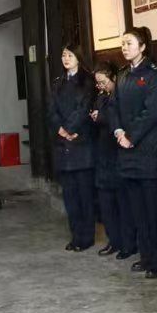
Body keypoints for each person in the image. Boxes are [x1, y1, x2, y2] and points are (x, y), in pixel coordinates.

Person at [115, 26, 157, 279]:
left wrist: (131, 136)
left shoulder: (154, 75)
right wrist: (118, 131)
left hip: (150, 153)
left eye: (129, 43)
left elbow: (154, 112)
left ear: (142, 47)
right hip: (127, 152)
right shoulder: (122, 75)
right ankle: (146, 256)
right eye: (123, 43)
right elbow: (113, 107)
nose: (124, 47)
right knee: (138, 211)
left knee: (154, 211)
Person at [49, 45, 96, 251]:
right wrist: (60, 129)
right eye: (63, 55)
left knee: (85, 194)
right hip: (63, 143)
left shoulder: (88, 81)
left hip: (81, 141)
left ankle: (87, 236)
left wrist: (69, 129)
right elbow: (51, 110)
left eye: (70, 55)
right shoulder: (58, 82)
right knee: (69, 196)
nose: (66, 58)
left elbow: (84, 109)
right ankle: (76, 235)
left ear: (78, 57)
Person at [90, 62, 135, 259]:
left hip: (118, 156)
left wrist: (100, 117)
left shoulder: (121, 96)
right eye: (98, 83)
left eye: (103, 82)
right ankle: (113, 240)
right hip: (103, 156)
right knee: (106, 204)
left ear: (114, 78)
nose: (100, 86)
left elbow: (117, 120)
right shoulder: (101, 97)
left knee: (123, 205)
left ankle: (128, 243)